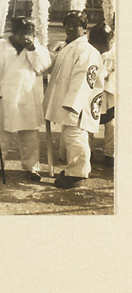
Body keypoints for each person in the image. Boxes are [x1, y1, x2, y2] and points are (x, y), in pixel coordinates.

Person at [43, 10, 104, 189]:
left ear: (84, 28)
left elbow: (84, 77)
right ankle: (73, 169)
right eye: (68, 23)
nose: (70, 27)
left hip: (78, 102)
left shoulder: (86, 50)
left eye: (76, 24)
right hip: (67, 100)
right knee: (70, 136)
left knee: (76, 135)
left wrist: (73, 103)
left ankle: (77, 174)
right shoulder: (68, 46)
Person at [0, 16, 51, 181]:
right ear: (14, 33)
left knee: (30, 136)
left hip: (27, 98)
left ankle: (32, 168)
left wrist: (32, 49)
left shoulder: (37, 47)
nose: (26, 36)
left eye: (30, 32)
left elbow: (43, 68)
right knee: (0, 136)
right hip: (4, 98)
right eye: (23, 32)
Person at [88, 22, 115, 168]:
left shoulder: (116, 53)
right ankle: (86, 152)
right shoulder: (89, 51)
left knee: (112, 125)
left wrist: (107, 77)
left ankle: (110, 153)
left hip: (109, 95)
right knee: (87, 124)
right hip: (92, 94)